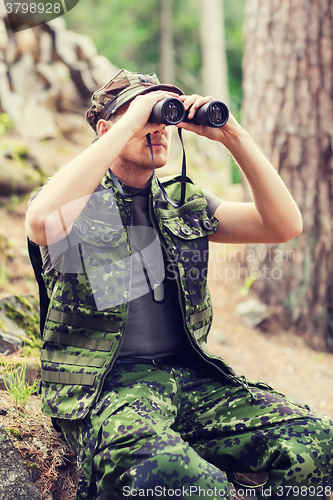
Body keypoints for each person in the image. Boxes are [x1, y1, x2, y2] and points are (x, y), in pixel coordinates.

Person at [25, 69, 333, 500]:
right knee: (184, 478)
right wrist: (131, 121)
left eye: (163, 117)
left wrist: (233, 136)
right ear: (106, 129)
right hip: (105, 390)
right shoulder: (74, 205)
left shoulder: (183, 203)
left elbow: (284, 224)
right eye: (145, 115)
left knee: (317, 442)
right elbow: (40, 223)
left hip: (191, 380)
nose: (159, 128)